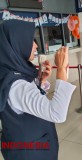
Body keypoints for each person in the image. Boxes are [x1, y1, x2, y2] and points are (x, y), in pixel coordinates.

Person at [0, 20, 76, 160]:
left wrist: (41, 81)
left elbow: (24, 103)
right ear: (17, 44)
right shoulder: (16, 86)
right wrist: (61, 71)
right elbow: (57, 113)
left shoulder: (11, 72)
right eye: (31, 41)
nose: (36, 45)